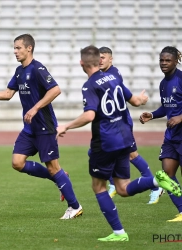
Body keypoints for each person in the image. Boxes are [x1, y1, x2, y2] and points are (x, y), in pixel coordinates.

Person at [56, 45, 181, 241]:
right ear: (99, 61)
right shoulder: (114, 78)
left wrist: (66, 126)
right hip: (124, 136)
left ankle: (119, 233)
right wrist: (141, 99)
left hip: (106, 141)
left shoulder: (89, 85)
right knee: (123, 188)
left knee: (98, 187)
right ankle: (157, 181)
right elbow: (135, 101)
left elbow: (89, 115)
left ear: (81, 63)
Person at [0, 34, 83, 219]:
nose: (15, 51)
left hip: (44, 126)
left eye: (18, 48)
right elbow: (8, 94)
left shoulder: (38, 68)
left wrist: (35, 107)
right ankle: (60, 176)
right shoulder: (19, 71)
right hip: (29, 129)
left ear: (29, 48)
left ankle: (75, 207)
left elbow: (55, 89)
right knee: (17, 163)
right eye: (14, 48)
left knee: (52, 167)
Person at [99, 46, 163, 204]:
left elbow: (126, 97)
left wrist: (138, 100)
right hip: (111, 124)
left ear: (110, 59)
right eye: (97, 57)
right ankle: (114, 183)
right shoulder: (104, 75)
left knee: (132, 155)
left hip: (120, 124)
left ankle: (155, 187)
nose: (99, 60)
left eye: (103, 57)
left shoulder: (112, 75)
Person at [140, 46, 182, 222]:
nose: (164, 63)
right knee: (166, 174)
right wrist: (152, 115)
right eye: (161, 60)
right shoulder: (163, 84)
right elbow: (166, 107)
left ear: (175, 61)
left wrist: (180, 117)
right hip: (172, 136)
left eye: (167, 60)